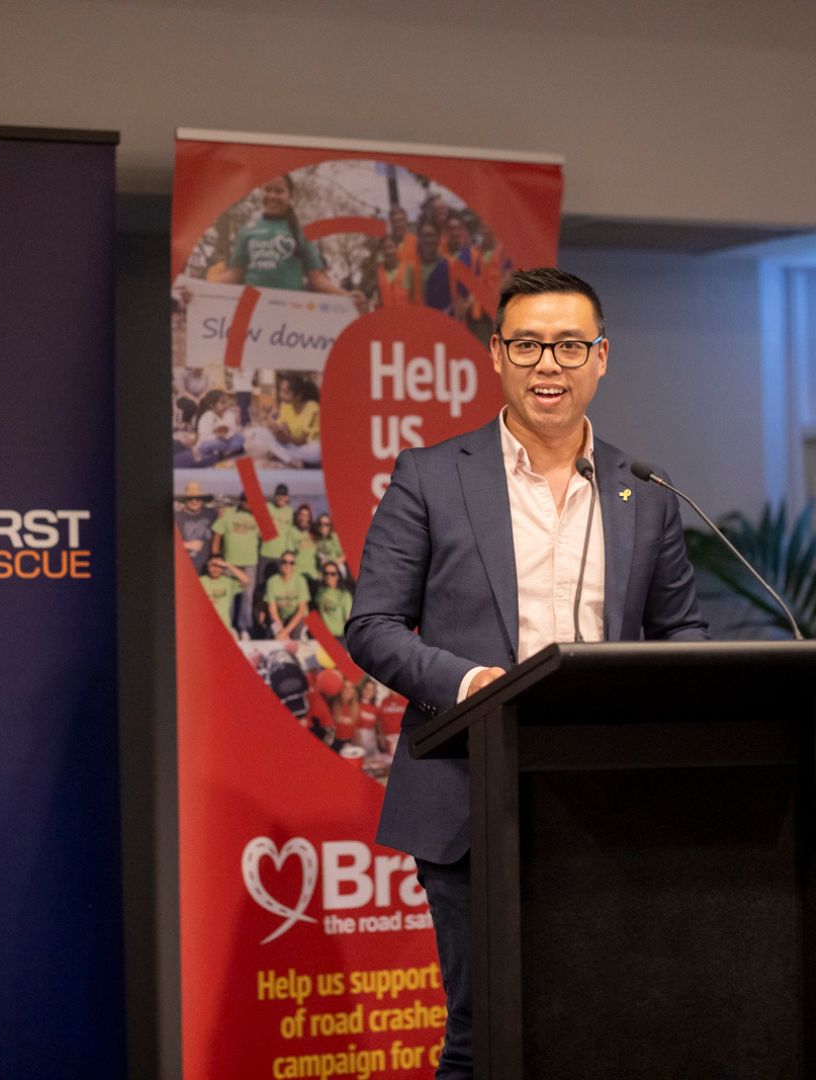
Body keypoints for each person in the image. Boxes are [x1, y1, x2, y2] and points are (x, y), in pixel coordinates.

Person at [346, 267, 708, 1079]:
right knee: (485, 1036)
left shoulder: (643, 492)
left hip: (606, 799)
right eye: (529, 345)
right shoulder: (430, 476)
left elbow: (681, 631)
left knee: (602, 1029)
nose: (550, 364)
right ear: (496, 354)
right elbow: (372, 627)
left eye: (570, 346)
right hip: (470, 793)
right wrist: (470, 685)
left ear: (601, 357)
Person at [219, 173, 365, 311]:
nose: (272, 196)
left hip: (290, 313)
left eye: (279, 191)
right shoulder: (247, 231)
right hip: (252, 310)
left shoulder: (302, 233)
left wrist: (345, 296)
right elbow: (235, 274)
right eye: (267, 190)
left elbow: (317, 278)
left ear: (290, 196)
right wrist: (205, 287)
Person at [210, 492, 261, 640]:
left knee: (247, 596)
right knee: (230, 596)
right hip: (230, 562)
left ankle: (244, 628)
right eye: (246, 501)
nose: (249, 504)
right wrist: (215, 556)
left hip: (250, 562)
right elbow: (217, 536)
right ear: (241, 501)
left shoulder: (257, 517)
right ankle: (229, 627)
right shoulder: (227, 514)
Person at [198, 555, 249, 636]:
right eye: (213, 566)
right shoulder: (200, 581)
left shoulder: (228, 582)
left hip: (224, 627)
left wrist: (228, 565)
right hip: (205, 627)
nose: (215, 569)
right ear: (208, 566)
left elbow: (246, 580)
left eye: (219, 566)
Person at [265, 550, 310, 640]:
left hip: (298, 617)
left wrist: (285, 632)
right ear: (280, 563)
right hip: (280, 617)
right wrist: (282, 632)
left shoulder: (300, 581)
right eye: (284, 562)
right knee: (277, 635)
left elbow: (301, 610)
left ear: (294, 565)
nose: (287, 565)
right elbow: (273, 610)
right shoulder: (272, 582)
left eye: (291, 563)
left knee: (297, 638)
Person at [175, 480, 217, 575]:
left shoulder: (212, 513)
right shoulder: (177, 516)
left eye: (197, 498)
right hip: (185, 567)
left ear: (202, 499)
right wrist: (185, 545)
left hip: (208, 569)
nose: (194, 501)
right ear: (184, 500)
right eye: (190, 498)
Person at [413, 221, 452, 313]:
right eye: (424, 236)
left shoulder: (448, 265)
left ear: (438, 238)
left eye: (432, 236)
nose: (428, 240)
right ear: (419, 239)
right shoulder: (410, 267)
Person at [314, 561, 352, 643]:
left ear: (338, 576)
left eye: (333, 574)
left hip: (339, 638)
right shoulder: (319, 592)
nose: (329, 576)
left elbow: (348, 619)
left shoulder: (345, 595)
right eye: (326, 573)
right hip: (321, 636)